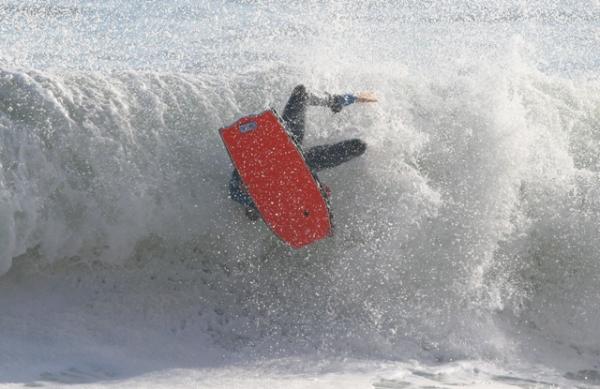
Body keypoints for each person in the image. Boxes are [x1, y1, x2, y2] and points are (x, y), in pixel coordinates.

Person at [229, 84, 377, 220]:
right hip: (299, 166)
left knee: (301, 93)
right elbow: (237, 192)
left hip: (288, 145)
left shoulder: (248, 163)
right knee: (358, 146)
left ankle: (337, 100)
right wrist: (253, 207)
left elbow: (238, 188)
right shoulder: (243, 184)